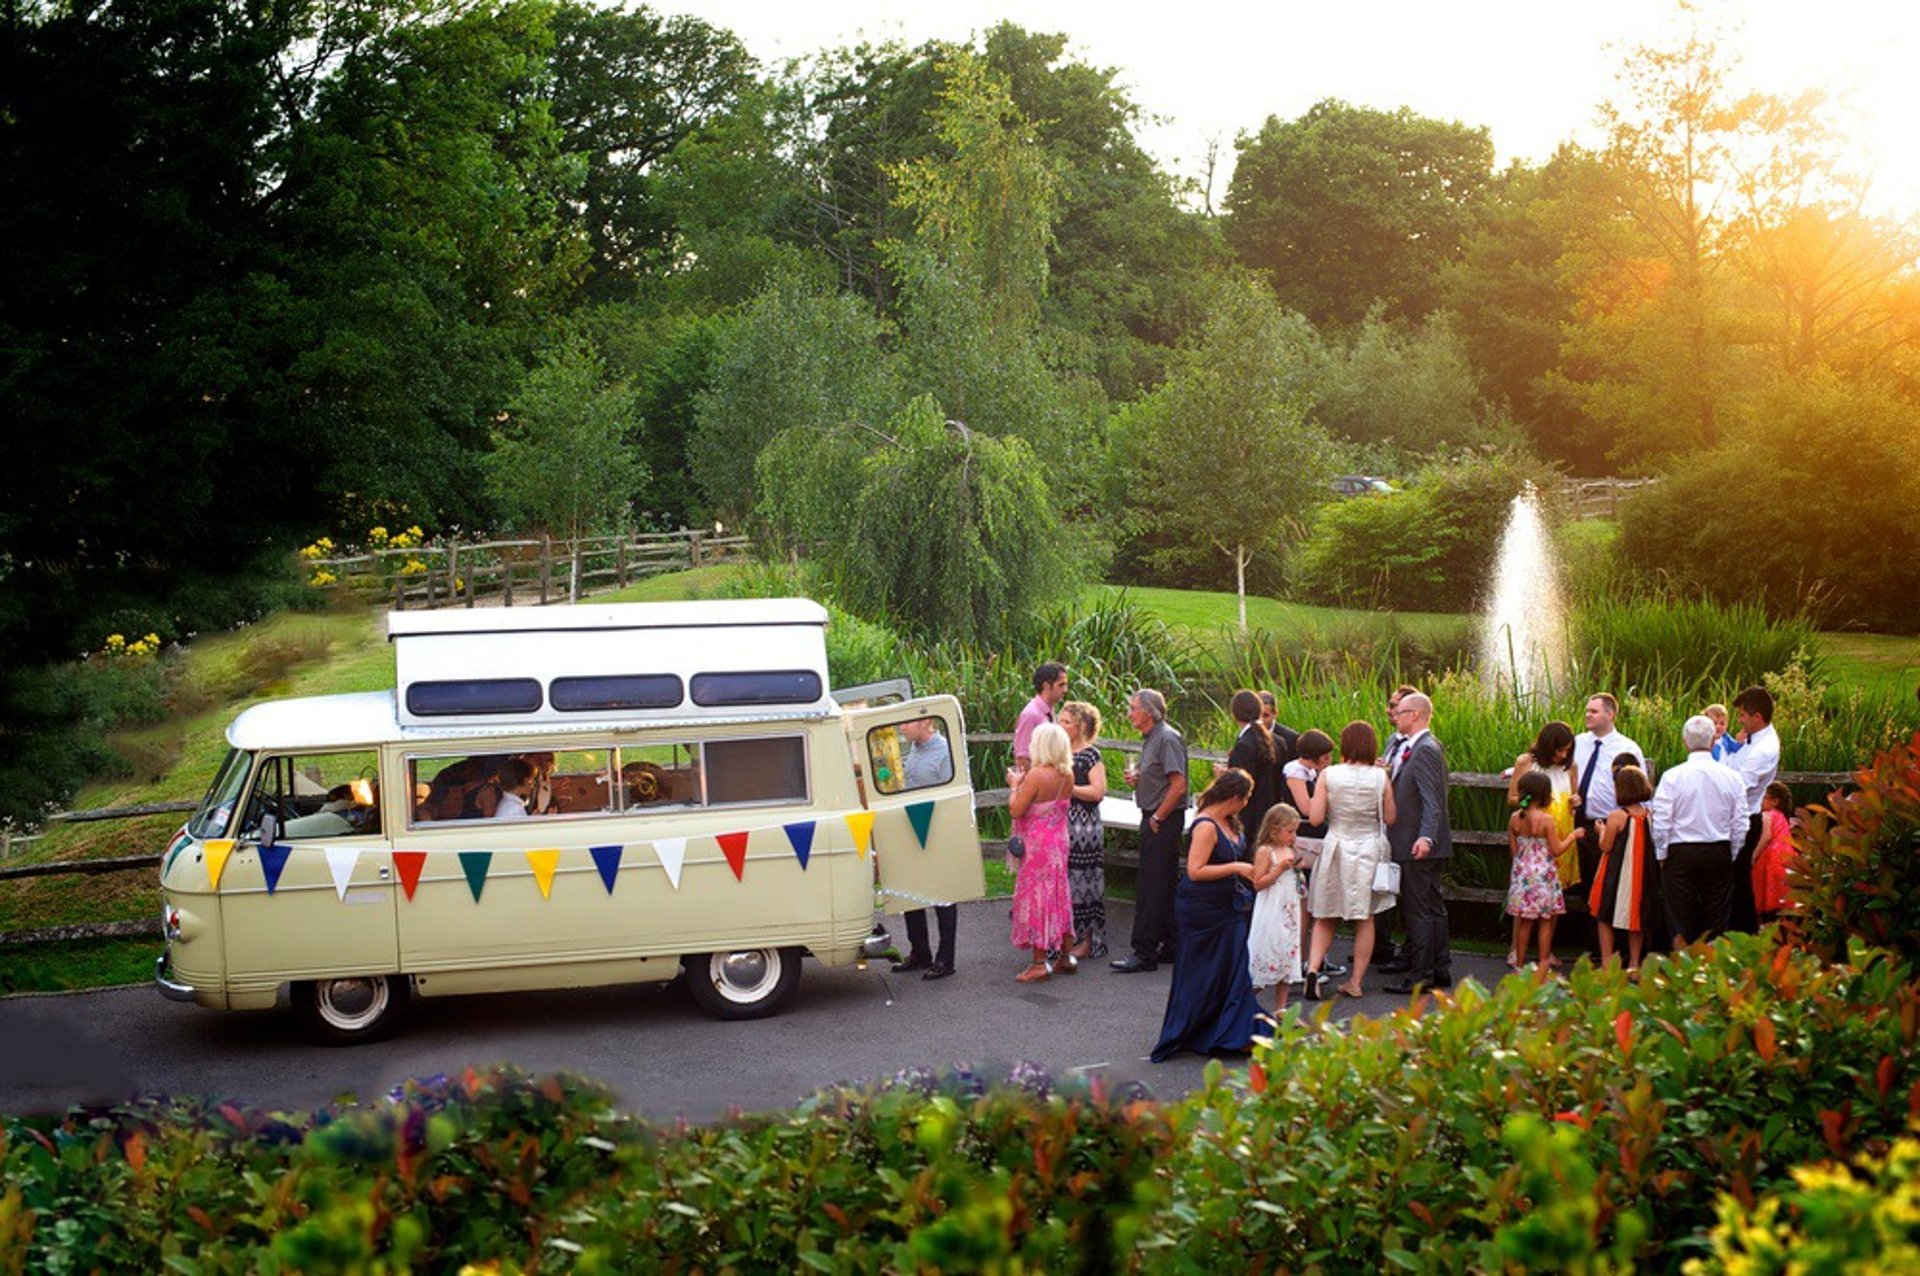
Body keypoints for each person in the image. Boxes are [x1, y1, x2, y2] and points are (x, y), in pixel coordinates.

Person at [1150, 768, 1261, 1061]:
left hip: (1229, 905)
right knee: (1200, 970)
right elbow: (1195, 871)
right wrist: (1237, 868)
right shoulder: (1206, 826)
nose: (1247, 803)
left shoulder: (1229, 821)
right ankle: (1194, 1028)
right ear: (1235, 797)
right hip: (1201, 908)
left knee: (1234, 965)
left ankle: (1235, 1030)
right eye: (1246, 798)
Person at [1302, 721, 1396, 1000]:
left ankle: (1313, 968)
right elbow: (1390, 817)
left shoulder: (1329, 774)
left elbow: (1316, 817)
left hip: (1337, 845)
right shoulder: (1380, 777)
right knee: (1364, 917)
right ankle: (1355, 982)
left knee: (1325, 914)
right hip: (1368, 848)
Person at [1649, 715, 1748, 945]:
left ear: (1685, 741)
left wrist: (1661, 853)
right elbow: (1740, 822)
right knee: (1717, 917)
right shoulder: (1732, 777)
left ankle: (1682, 968)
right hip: (1718, 849)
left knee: (1678, 917)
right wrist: (1731, 852)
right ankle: (1713, 970)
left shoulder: (1672, 776)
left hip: (1680, 851)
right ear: (1713, 740)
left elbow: (1662, 820)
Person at [1113, 689, 1189, 973]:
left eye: (1133, 708)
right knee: (1163, 881)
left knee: (1151, 885)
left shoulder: (1167, 738)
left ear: (1149, 712)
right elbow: (1164, 777)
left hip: (1162, 818)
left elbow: (1178, 784)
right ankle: (1170, 944)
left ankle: (1144, 951)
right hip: (1157, 815)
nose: (1130, 713)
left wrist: (1158, 816)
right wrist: (1141, 778)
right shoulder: (1153, 739)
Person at [1384, 692, 1454, 996]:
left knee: (1418, 911)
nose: (1395, 716)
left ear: (1415, 715)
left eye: (1399, 712)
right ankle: (1439, 968)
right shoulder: (1413, 747)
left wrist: (1426, 837)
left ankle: (1420, 977)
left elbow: (1432, 800)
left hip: (1418, 843)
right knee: (1432, 907)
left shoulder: (1425, 749)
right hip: (1417, 840)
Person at [1504, 720, 1580, 969]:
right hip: (1537, 841)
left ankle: (1546, 953)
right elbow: (1513, 798)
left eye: (1567, 750)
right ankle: (1517, 950)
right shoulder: (1526, 763)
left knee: (1553, 897)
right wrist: (1537, 805)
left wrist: (1576, 800)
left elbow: (1574, 795)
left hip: (1560, 833)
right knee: (1525, 900)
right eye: (1559, 750)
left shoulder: (1570, 768)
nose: (1563, 755)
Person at [1008, 722, 1076, 983]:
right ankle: (1065, 954)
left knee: (1037, 896)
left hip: (1038, 845)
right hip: (1058, 841)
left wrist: (1015, 784)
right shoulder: (1066, 774)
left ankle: (1039, 962)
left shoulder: (1037, 775)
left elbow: (1016, 809)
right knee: (1059, 893)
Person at [893, 717, 958, 980]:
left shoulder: (944, 752)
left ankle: (946, 959)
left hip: (936, 831)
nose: (901, 727)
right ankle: (920, 952)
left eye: (907, 723)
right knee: (911, 892)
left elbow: (952, 797)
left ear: (926, 722)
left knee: (942, 895)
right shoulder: (915, 750)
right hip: (912, 829)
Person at [1571, 694, 1643, 896]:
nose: (1587, 715)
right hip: (1575, 822)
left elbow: (1639, 789)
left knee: (1602, 887)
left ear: (1610, 714)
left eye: (1593, 711)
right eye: (1587, 710)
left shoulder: (1627, 748)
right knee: (1575, 883)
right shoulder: (1577, 743)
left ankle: (1598, 927)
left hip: (1608, 825)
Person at [1283, 729, 1341, 980]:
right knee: (1304, 903)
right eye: (1326, 757)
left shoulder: (1315, 773)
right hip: (1304, 840)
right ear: (1315, 757)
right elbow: (1306, 807)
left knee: (1316, 902)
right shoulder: (1295, 772)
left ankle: (1316, 958)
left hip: (1317, 838)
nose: (1329, 761)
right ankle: (1301, 961)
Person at [1373, 683, 1423, 974]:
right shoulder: (1393, 740)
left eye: (1395, 707)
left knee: (1411, 896)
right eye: (1391, 706)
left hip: (1409, 828)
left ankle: (1410, 953)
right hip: (1387, 827)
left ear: (1411, 712)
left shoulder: (1422, 746)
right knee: (1386, 886)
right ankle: (1382, 944)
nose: (1390, 711)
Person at [1588, 764, 1657, 971]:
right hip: (1642, 872)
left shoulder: (1617, 816)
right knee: (1636, 917)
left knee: (1604, 914)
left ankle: (1608, 963)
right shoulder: (1649, 813)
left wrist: (1600, 830)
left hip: (1616, 872)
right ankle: (1635, 963)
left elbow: (1606, 846)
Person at [1726, 686, 1782, 933]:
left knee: (1738, 883)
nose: (1739, 720)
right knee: (1735, 881)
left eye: (1742, 715)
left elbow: (1740, 785)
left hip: (1746, 819)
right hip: (1739, 815)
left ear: (1757, 717)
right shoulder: (1751, 740)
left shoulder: (1764, 749)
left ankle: (1744, 934)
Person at [1060, 701, 1110, 961]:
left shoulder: (1091, 755)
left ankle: (1088, 939)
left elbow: (1098, 792)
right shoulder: (1058, 752)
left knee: (1083, 883)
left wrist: (1070, 789)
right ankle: (1066, 934)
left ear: (1080, 727)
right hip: (1060, 825)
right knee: (1064, 881)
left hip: (1084, 827)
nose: (1061, 725)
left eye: (1067, 722)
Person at [1247, 803, 1305, 1017]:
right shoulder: (1266, 851)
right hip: (1271, 910)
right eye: (1290, 831)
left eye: (1295, 831)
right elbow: (1258, 883)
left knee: (1286, 954)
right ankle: (1245, 998)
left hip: (1288, 910)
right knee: (1268, 950)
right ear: (1274, 829)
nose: (1293, 836)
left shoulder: (1290, 849)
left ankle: (1281, 1007)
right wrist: (1279, 869)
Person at [1227, 690, 1282, 850]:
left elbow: (1238, 789)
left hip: (1250, 820)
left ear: (1234, 714)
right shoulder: (1278, 742)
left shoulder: (1244, 745)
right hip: (1273, 815)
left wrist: (1224, 777)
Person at [1751, 780, 1799, 924]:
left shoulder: (1767, 815)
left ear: (1774, 801)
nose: (1760, 801)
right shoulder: (1782, 816)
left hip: (1772, 855)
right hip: (1786, 854)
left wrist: (1753, 855)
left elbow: (1766, 837)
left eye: (1763, 797)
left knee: (1764, 887)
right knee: (1782, 890)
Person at [1013, 662, 1069, 773]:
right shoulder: (1031, 714)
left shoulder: (1049, 710)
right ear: (1046, 685)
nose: (1065, 690)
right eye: (1061, 685)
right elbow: (1022, 758)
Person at [1257, 691, 1301, 771]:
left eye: (1265, 715)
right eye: (1257, 716)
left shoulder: (1291, 738)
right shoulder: (1247, 735)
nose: (1261, 720)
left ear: (1275, 714)